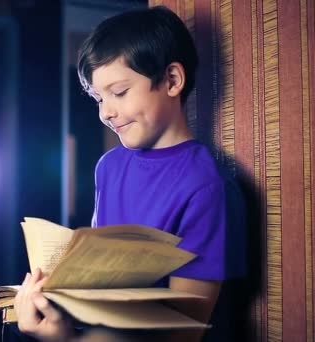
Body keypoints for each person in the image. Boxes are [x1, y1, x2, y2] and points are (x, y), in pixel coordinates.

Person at [14, 6, 246, 342]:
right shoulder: (108, 166)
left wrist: (65, 339)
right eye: (97, 98)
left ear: (171, 80)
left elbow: (182, 333)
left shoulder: (204, 185)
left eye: (119, 92)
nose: (106, 112)